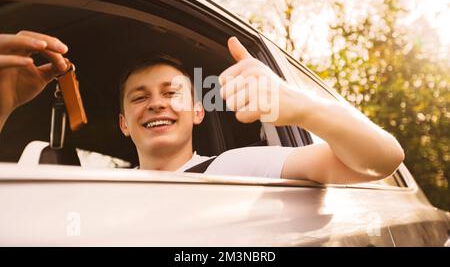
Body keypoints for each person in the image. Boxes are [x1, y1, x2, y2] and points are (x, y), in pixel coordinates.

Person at [1, 31, 405, 184]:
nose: (155, 102)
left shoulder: (234, 168)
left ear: (198, 111)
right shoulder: (98, 188)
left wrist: (304, 109)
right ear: (124, 124)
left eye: (171, 93)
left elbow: (382, 159)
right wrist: (3, 108)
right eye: (140, 97)